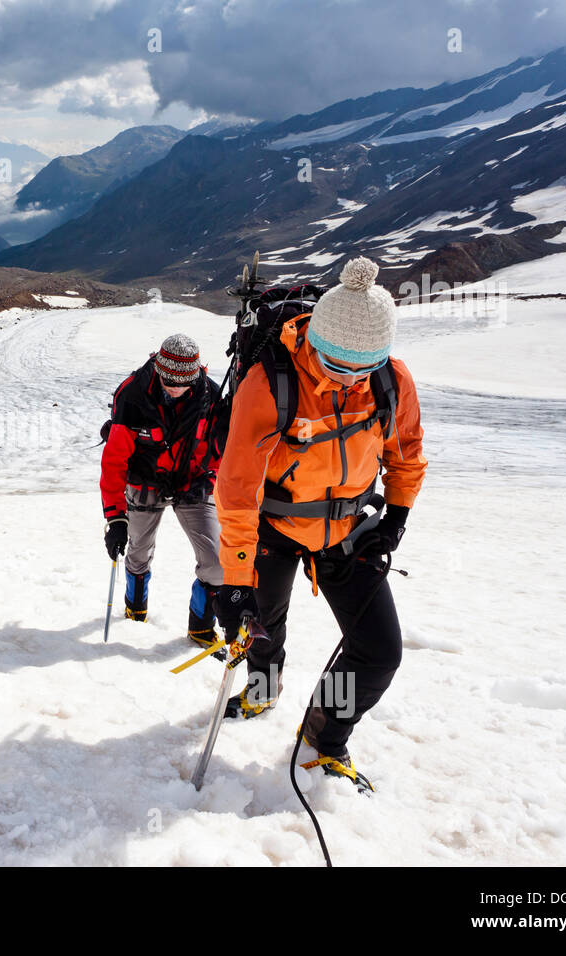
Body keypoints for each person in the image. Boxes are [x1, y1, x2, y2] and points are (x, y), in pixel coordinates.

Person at [212, 257, 427, 791]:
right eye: (336, 365)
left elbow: (406, 454)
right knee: (262, 628)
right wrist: (236, 580)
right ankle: (263, 688)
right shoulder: (269, 384)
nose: (350, 379)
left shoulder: (391, 381)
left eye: (363, 368)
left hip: (350, 530)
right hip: (273, 530)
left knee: (378, 652)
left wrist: (395, 516)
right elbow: (238, 490)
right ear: (315, 342)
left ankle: (321, 738)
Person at [100, 334, 227, 643]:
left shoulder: (209, 396)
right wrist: (116, 518)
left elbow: (219, 451)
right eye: (167, 380)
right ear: (158, 368)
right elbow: (114, 461)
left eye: (181, 382)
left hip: (192, 483)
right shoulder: (133, 396)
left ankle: (200, 629)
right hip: (144, 483)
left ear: (195, 376)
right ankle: (135, 613)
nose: (173, 388)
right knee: (138, 552)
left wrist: (215, 485)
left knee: (216, 561)